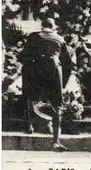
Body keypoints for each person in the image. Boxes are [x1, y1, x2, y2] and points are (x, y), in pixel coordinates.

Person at [20, 18, 73, 151]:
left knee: (29, 96)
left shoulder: (34, 36)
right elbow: (68, 64)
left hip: (37, 69)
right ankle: (56, 141)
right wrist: (63, 83)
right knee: (57, 105)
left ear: (42, 26)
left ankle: (29, 126)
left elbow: (23, 56)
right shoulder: (60, 39)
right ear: (54, 28)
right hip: (55, 71)